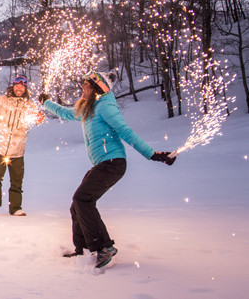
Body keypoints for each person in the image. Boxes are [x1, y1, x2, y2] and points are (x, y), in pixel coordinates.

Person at [39, 71, 176, 268]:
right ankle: (83, 248)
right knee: (77, 203)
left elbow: (125, 131)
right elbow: (66, 113)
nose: (82, 88)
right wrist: (46, 102)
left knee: (82, 199)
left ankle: (104, 247)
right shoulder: (89, 108)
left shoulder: (106, 106)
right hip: (103, 163)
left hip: (113, 163)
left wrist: (152, 154)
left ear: (96, 87)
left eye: (86, 85)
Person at [0, 75, 45, 216]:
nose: (19, 88)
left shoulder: (29, 105)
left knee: (17, 181)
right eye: (17, 85)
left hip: (18, 150)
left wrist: (39, 118)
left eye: (22, 86)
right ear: (13, 86)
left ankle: (15, 207)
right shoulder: (2, 100)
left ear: (25, 88)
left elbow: (37, 118)